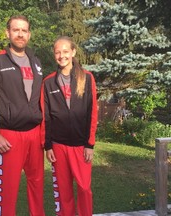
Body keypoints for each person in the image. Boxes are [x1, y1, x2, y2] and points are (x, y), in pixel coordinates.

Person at [0, 15, 45, 216]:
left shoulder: (36, 62)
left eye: (24, 30)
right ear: (7, 33)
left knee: (37, 185)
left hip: (35, 135)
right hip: (8, 136)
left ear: (29, 34)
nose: (20, 34)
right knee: (6, 189)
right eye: (16, 30)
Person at [41, 36, 98, 216]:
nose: (61, 55)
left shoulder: (87, 78)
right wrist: (47, 145)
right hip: (58, 146)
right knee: (64, 192)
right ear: (54, 54)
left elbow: (92, 113)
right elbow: (46, 117)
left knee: (84, 188)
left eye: (65, 51)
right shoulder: (48, 82)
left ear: (73, 52)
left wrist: (90, 144)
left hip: (81, 146)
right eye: (58, 52)